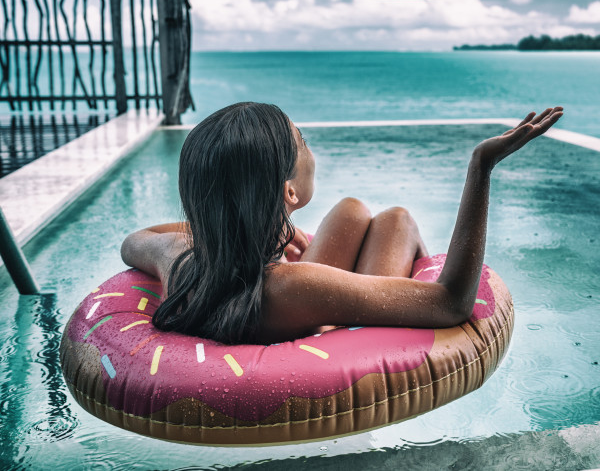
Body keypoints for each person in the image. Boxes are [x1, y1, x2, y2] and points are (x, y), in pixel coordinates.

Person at [121, 102, 563, 344]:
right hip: (319, 327)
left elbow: (133, 241)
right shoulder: (292, 286)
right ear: (289, 193)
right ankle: (413, 252)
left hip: (265, 284)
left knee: (354, 209)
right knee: (399, 222)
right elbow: (450, 305)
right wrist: (481, 168)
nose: (310, 149)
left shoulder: (180, 260)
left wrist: (258, 230)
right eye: (303, 142)